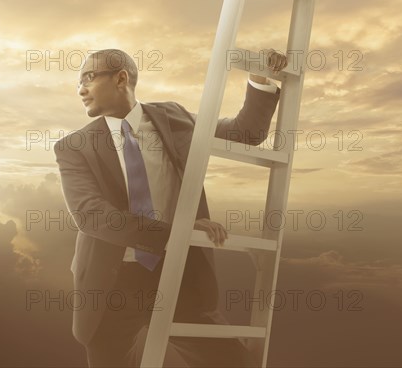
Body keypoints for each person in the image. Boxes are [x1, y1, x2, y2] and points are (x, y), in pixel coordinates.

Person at [54, 49, 287, 367]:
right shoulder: (73, 146)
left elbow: (241, 134)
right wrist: (179, 232)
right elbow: (92, 217)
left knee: (234, 362)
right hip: (112, 284)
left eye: (88, 78)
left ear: (121, 78)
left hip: (178, 274)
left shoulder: (172, 117)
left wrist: (259, 79)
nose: (79, 89)